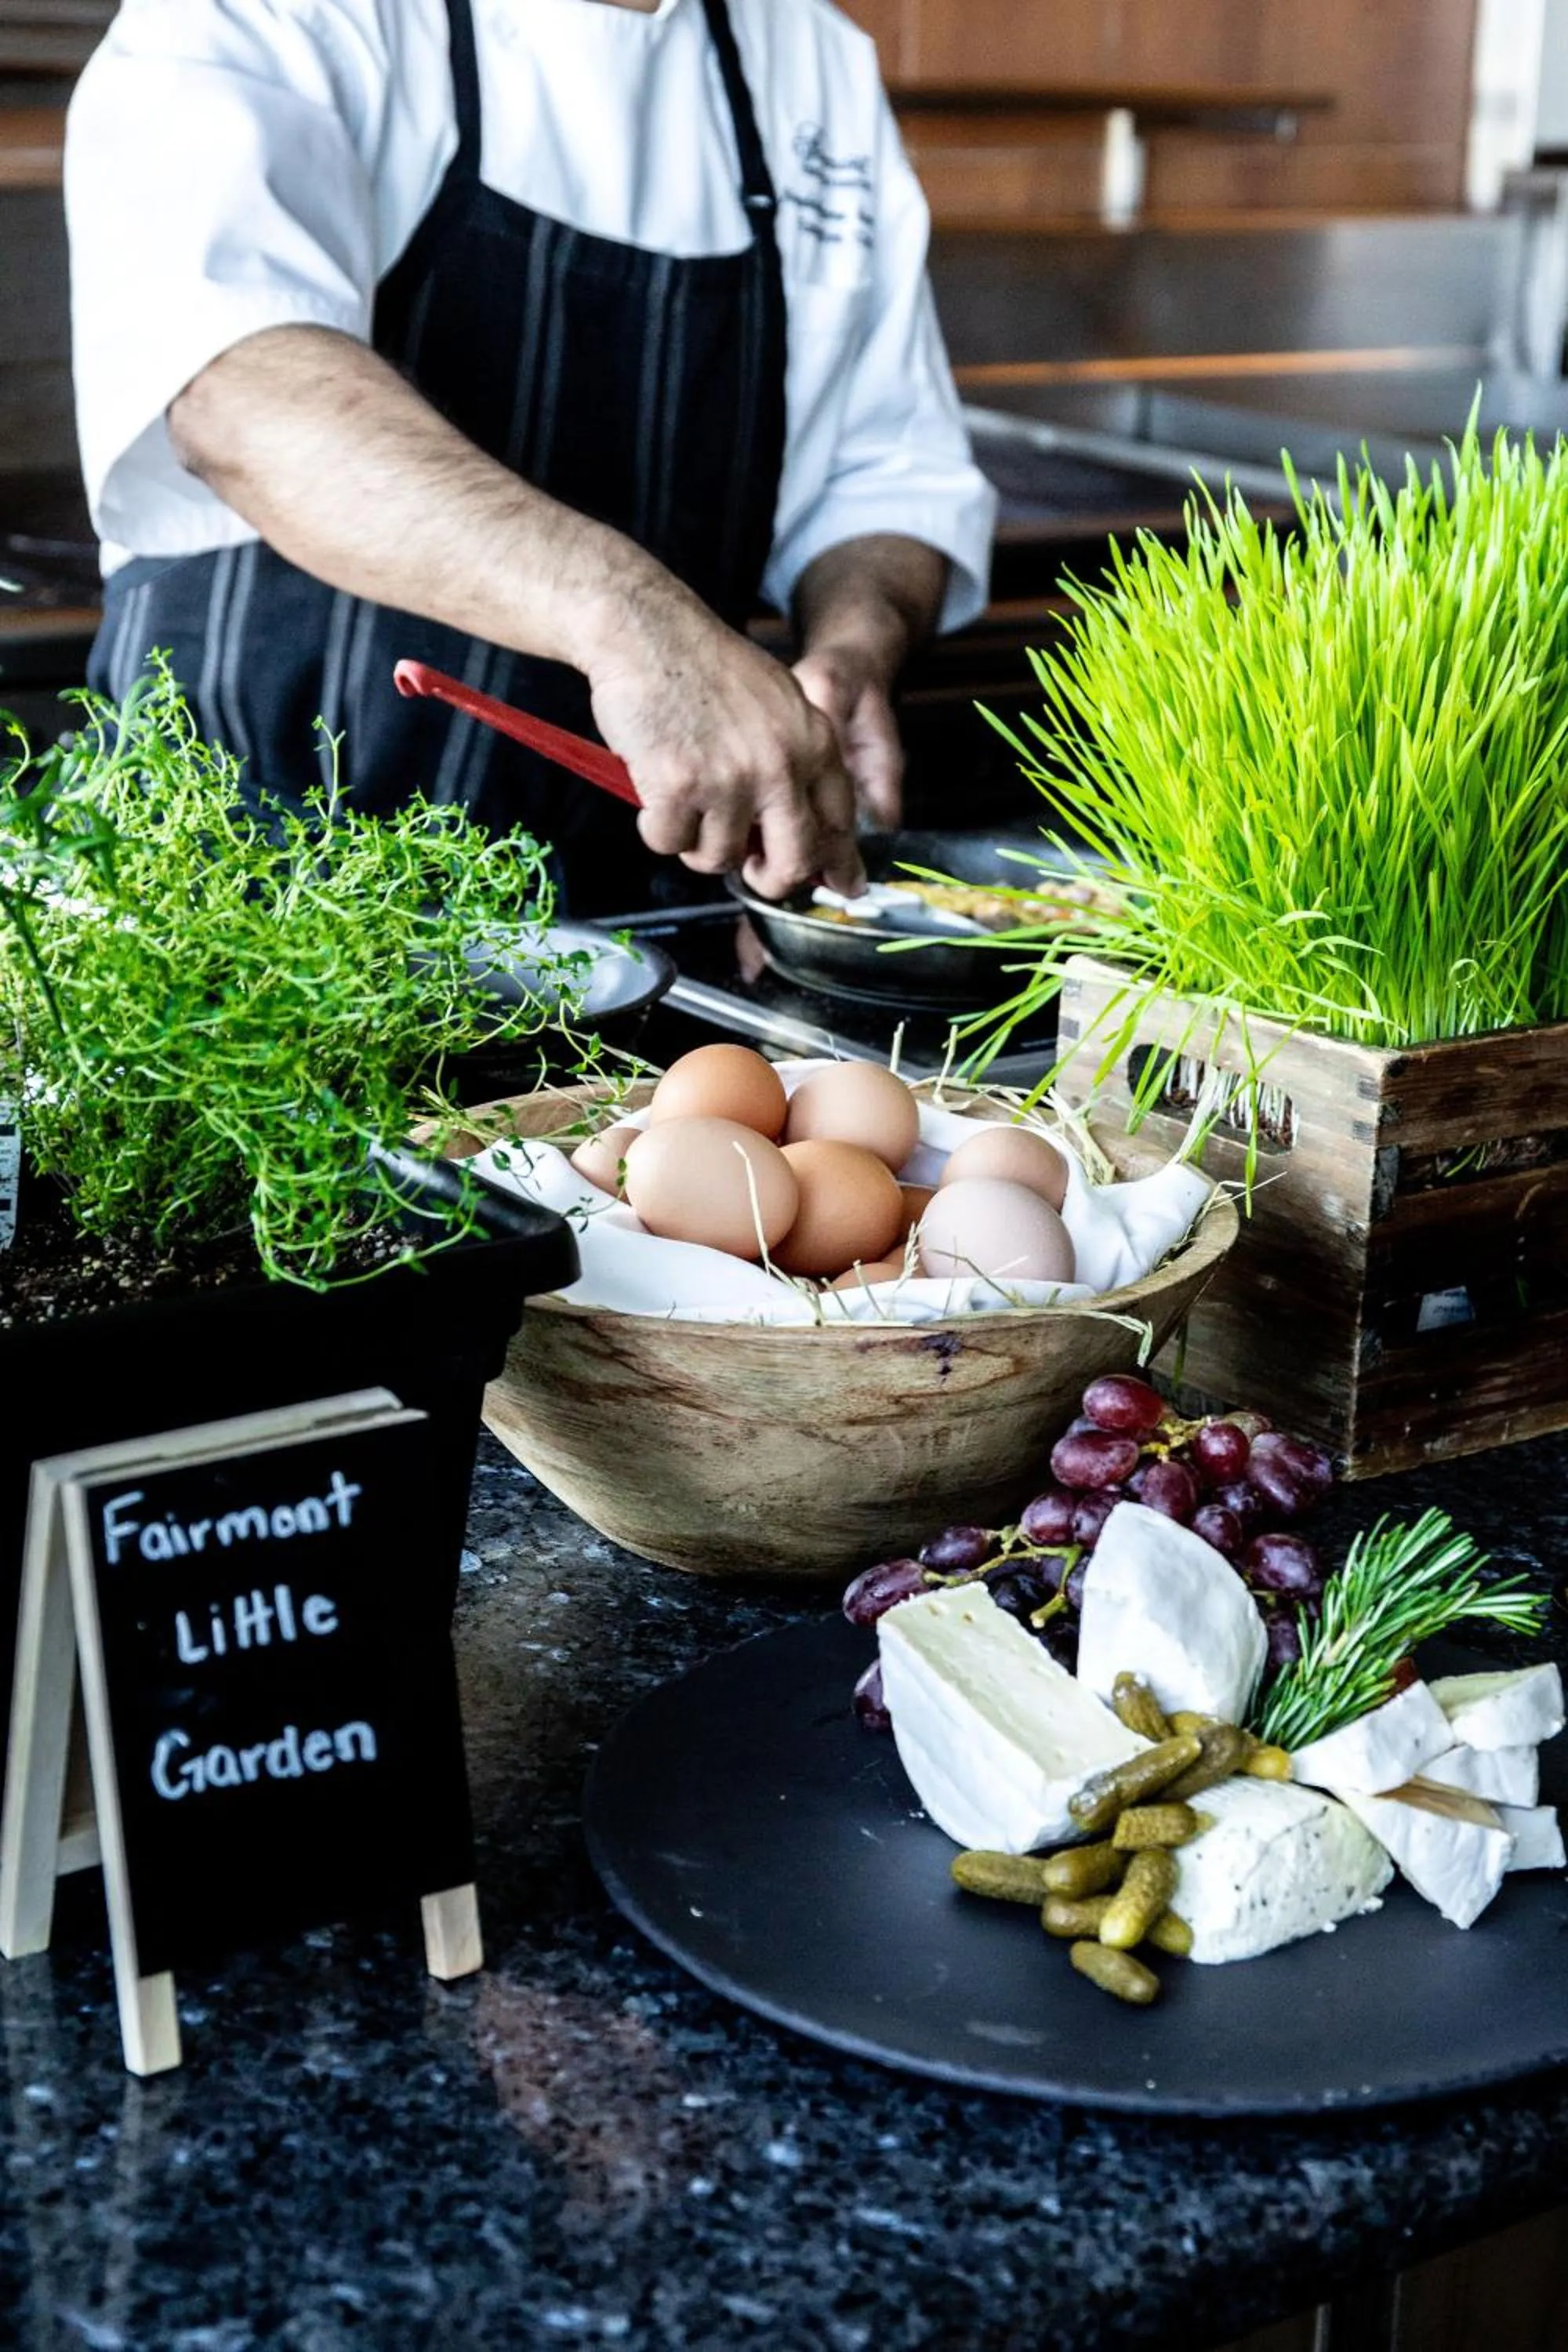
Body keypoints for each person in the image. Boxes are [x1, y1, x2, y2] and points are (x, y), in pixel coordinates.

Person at [64, 0, 996, 914]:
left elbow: (881, 473)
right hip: (245, 906)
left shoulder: (806, 53)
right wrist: (634, 621)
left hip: (634, 936)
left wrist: (848, 653)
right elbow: (242, 391)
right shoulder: (277, 13)